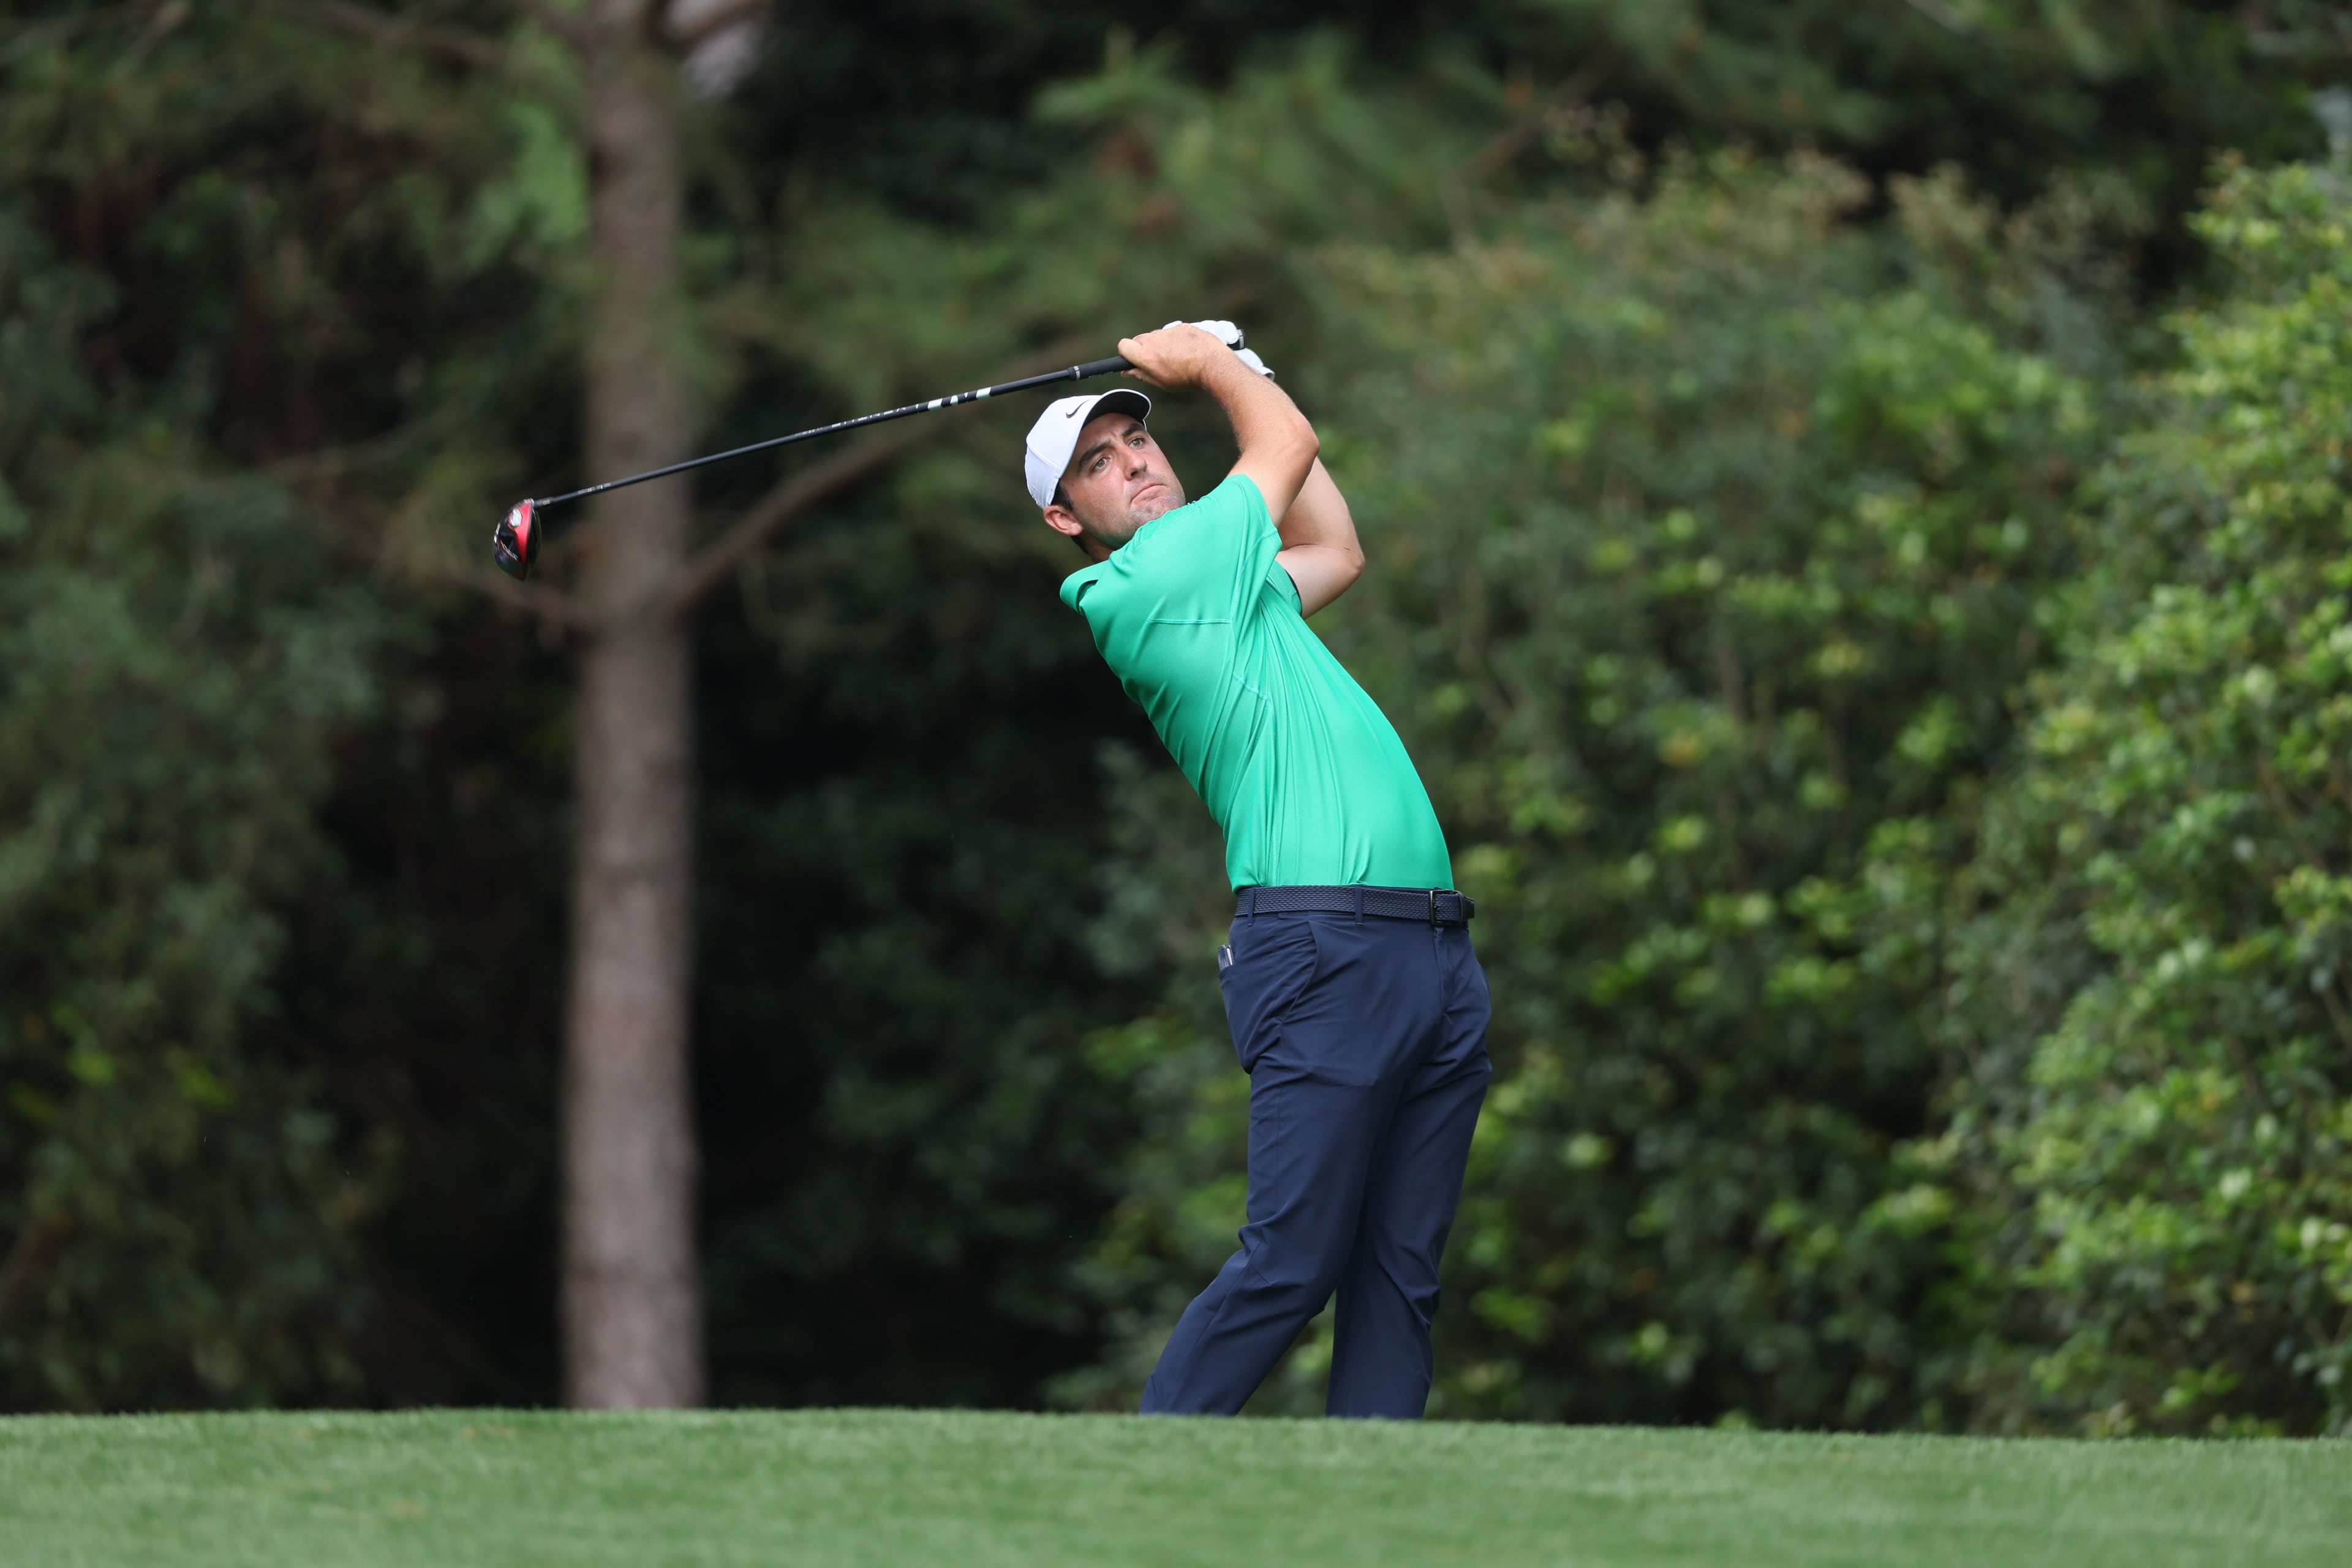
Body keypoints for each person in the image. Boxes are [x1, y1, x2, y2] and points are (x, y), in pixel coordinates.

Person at [1025, 321, 1491, 1419]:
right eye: (1097, 464)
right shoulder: (1143, 584)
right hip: (1323, 946)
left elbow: (1336, 544)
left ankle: (1365, 1525)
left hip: (1431, 949)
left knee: (1398, 1277)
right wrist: (1212, 365)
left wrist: (1251, 369)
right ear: (1066, 518)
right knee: (1293, 1260)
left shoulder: (1235, 588)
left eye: (1138, 443)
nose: (1136, 464)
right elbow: (1283, 445)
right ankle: (1143, 1492)